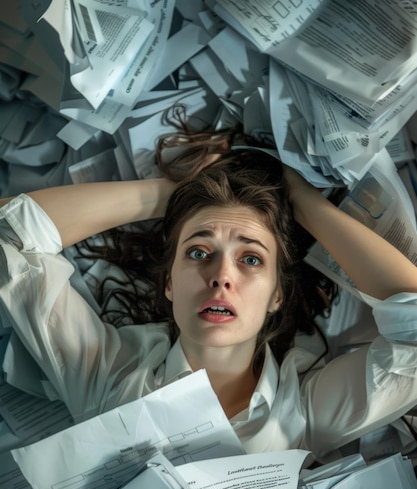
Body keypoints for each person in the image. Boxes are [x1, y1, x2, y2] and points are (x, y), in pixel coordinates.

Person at [1, 110, 417, 462]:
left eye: (250, 258)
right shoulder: (106, 375)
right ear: (169, 283)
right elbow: (10, 236)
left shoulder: (304, 413)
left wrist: (299, 199)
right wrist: (175, 195)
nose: (221, 276)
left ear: (277, 295)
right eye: (199, 252)